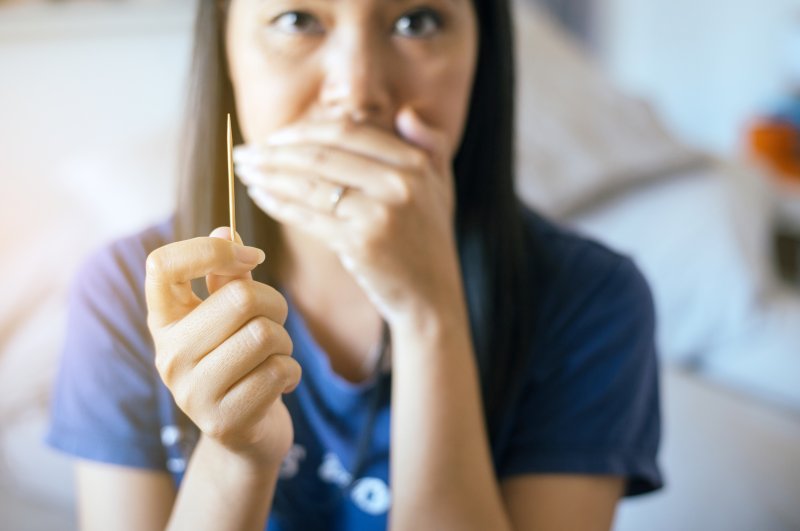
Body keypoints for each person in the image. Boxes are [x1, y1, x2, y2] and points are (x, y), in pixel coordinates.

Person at [47, 0, 663, 529]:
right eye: (297, 19)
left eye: (416, 21)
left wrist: (429, 317)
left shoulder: (592, 298)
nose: (359, 91)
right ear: (226, 47)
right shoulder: (129, 291)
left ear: (484, 51)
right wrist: (236, 456)